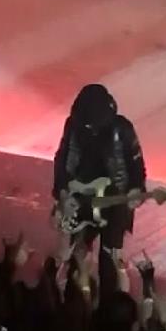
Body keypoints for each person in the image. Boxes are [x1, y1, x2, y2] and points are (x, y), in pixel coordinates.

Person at [52, 84, 146, 293]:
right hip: (83, 197)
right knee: (77, 259)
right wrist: (63, 194)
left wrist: (136, 190)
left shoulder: (122, 129)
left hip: (115, 203)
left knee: (109, 261)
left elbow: (136, 165)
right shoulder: (73, 125)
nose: (91, 129)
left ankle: (109, 301)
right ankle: (75, 298)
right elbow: (62, 159)